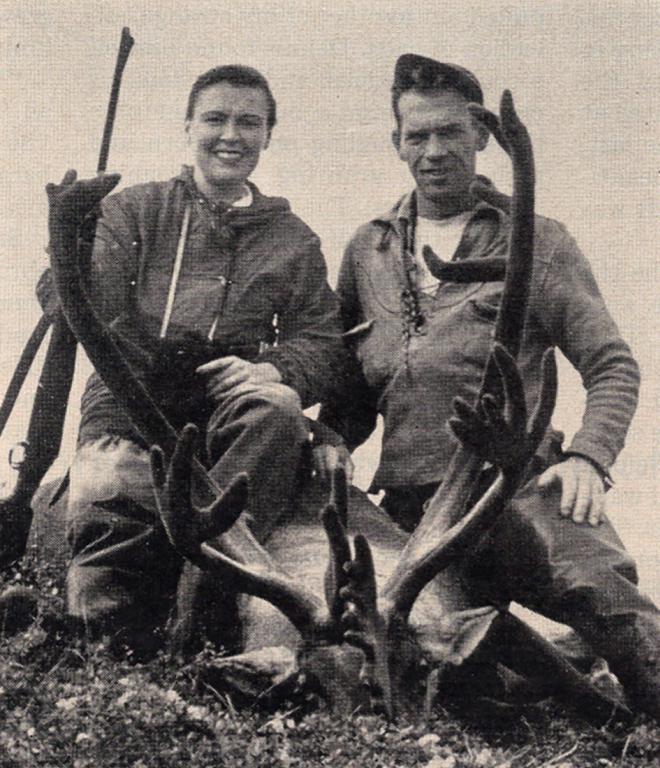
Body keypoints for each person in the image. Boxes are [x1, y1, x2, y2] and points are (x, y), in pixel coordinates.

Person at [316, 54, 659, 717]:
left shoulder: (538, 239)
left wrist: (591, 455)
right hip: (415, 519)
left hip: (517, 486)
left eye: (451, 133)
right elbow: (352, 396)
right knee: (440, 675)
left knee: (607, 601)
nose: (434, 151)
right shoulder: (369, 250)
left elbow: (612, 363)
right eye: (417, 136)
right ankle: (583, 697)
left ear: (481, 136)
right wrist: (327, 439)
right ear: (397, 143)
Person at [62, 65, 343, 655]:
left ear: (269, 134)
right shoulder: (133, 209)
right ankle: (105, 639)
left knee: (277, 406)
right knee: (108, 510)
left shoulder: (294, 240)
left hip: (226, 409)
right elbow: (64, 293)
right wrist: (74, 245)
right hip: (130, 400)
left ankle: (206, 598)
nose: (231, 136)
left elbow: (322, 343)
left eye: (249, 122)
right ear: (187, 127)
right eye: (215, 119)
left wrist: (273, 370)